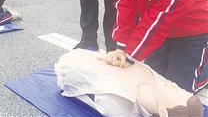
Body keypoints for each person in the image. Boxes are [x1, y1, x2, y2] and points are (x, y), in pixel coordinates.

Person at [56, 49, 204, 117]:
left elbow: (70, 78)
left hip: (71, 65)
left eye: (175, 93)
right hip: (93, 58)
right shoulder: (161, 84)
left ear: (164, 113)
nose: (174, 85)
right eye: (180, 88)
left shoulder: (121, 107)